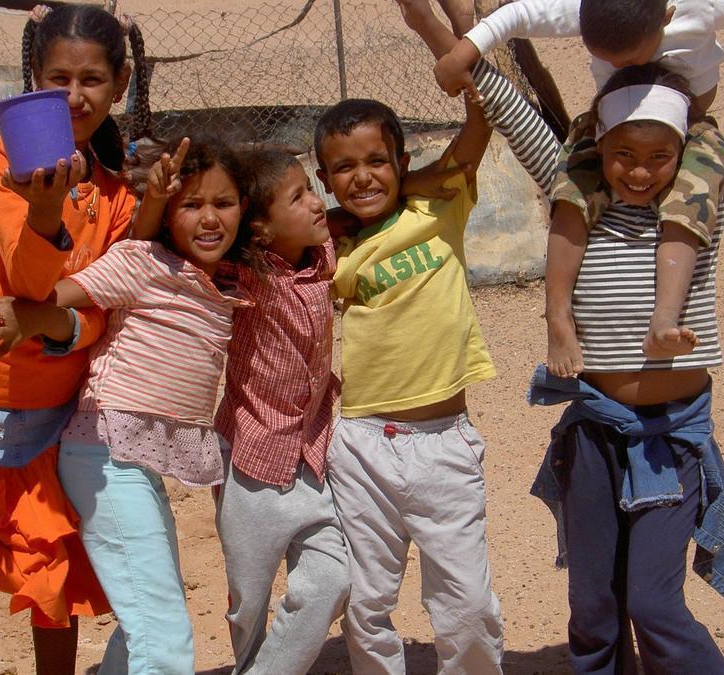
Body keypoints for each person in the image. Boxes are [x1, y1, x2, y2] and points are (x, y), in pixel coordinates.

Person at [406, 0, 724, 671]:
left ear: (684, 150)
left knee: (654, 603)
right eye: (623, 155)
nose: (639, 171)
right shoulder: (568, 184)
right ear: (596, 146)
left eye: (660, 156)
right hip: (596, 428)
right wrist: (439, 34)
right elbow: (498, 93)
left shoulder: (705, 198)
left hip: (671, 436)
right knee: (593, 606)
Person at [0, 133, 256, 674]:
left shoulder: (227, 283)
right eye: (192, 204)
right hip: (105, 457)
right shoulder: (144, 263)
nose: (209, 218)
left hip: (137, 464)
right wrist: (8, 319)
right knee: (163, 638)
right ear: (168, 212)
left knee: (148, 615)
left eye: (224, 202)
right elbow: (60, 297)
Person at [0, 4, 144, 674]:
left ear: (121, 82)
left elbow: (100, 311)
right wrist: (46, 213)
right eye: (59, 79)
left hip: (53, 414)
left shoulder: (115, 197)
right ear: (34, 82)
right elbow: (27, 279)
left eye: (93, 80)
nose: (76, 96)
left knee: (55, 584)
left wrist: (47, 323)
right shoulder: (0, 165)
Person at [434, 0, 724, 375]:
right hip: (611, 120)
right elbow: (514, 24)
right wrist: (460, 51)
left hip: (687, 128)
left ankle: (665, 316)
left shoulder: (702, 5)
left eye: (628, 56)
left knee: (690, 203)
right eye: (609, 58)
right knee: (570, 196)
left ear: (665, 16)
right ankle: (557, 312)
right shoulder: (593, 9)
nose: (640, 174)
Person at [313, 6, 505, 669]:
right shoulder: (331, 248)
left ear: (402, 160)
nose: (362, 176)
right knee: (366, 601)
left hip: (444, 443)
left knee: (468, 601)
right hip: (361, 443)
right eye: (343, 167)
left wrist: (476, 89)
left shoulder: (438, 206)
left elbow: (474, 137)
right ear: (325, 179)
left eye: (376, 160)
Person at [213, 147, 349, 675]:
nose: (317, 202)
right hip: (250, 457)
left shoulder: (324, 256)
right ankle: (250, 663)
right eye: (299, 197)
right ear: (262, 232)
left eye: (311, 188)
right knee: (248, 601)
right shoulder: (243, 278)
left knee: (334, 578)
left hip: (313, 454)